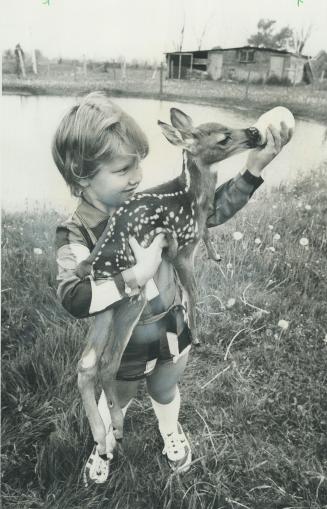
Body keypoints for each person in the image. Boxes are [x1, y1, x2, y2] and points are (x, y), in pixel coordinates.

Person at [53, 91, 291, 485]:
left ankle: (169, 429)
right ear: (82, 175)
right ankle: (105, 443)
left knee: (166, 386)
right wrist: (135, 274)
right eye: (123, 169)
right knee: (119, 393)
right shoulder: (74, 233)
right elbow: (72, 295)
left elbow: (205, 213)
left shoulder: (152, 201)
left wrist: (252, 169)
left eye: (138, 165)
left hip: (169, 326)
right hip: (123, 342)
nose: (137, 177)